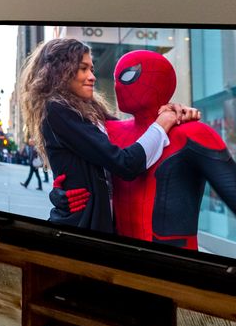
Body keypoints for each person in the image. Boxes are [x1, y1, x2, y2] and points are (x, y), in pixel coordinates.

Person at [54, 49, 236, 270]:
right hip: (116, 263)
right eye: (115, 77)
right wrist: (61, 194)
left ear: (160, 79)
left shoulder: (191, 134)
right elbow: (72, 164)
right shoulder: (109, 131)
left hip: (175, 269)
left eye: (127, 76)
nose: (117, 85)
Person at [12, 38, 181, 233]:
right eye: (83, 69)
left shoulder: (88, 109)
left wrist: (173, 112)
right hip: (79, 230)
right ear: (60, 71)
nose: (92, 76)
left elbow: (131, 132)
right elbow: (124, 163)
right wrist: (162, 123)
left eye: (91, 69)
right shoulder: (57, 110)